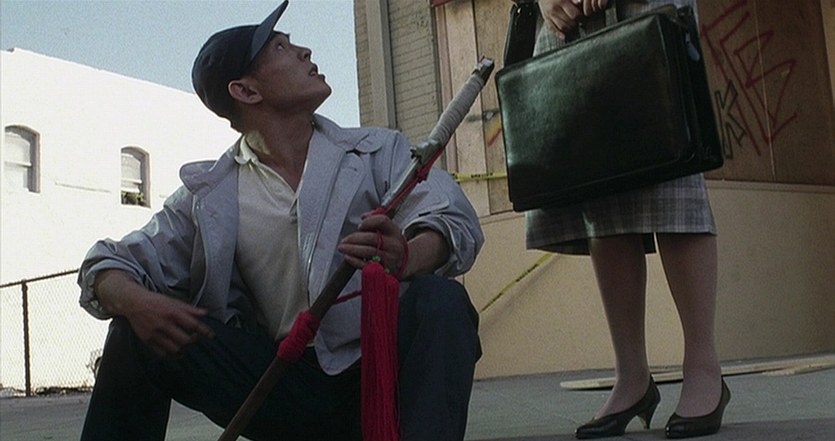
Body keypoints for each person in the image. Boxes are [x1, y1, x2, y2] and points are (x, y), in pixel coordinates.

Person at [76, 2, 484, 440]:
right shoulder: (207, 197)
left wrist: (407, 255)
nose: (305, 51)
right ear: (246, 91)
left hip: (385, 375)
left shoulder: (376, 152)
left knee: (442, 300)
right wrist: (137, 303)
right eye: (281, 48)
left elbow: (452, 217)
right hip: (283, 386)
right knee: (133, 332)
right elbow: (106, 264)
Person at [528, 0, 730, 439]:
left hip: (649, 8)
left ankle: (703, 366)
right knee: (603, 192)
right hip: (569, 22)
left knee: (675, 178)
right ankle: (632, 376)